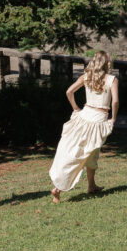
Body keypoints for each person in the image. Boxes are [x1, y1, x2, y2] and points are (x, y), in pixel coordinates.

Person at [49, 50, 119, 203]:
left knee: (85, 153)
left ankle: (91, 186)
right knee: (85, 154)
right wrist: (113, 118)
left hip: (83, 117)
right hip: (98, 120)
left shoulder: (87, 76)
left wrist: (76, 108)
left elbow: (69, 92)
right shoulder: (112, 79)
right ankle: (58, 188)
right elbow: (115, 101)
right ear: (107, 63)